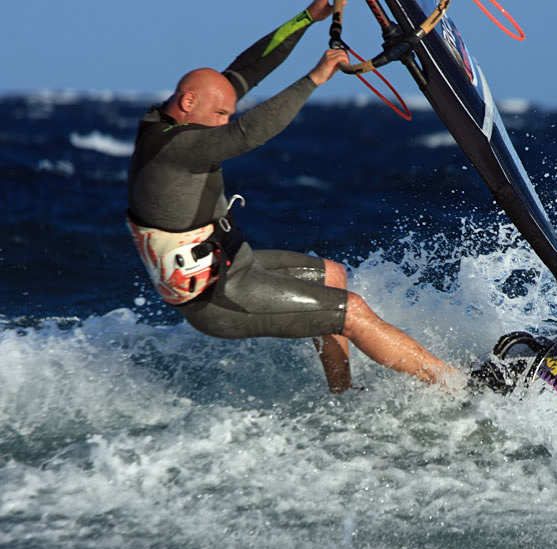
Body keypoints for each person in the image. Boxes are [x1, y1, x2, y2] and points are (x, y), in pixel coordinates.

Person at [126, 0, 461, 393]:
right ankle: (460, 387)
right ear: (188, 103)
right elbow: (246, 134)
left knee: (333, 275)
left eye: (228, 113)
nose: (225, 120)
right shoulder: (174, 148)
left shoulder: (173, 119)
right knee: (351, 311)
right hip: (219, 296)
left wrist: (308, 17)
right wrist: (313, 79)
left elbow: (247, 68)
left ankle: (341, 395)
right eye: (221, 113)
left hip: (236, 266)